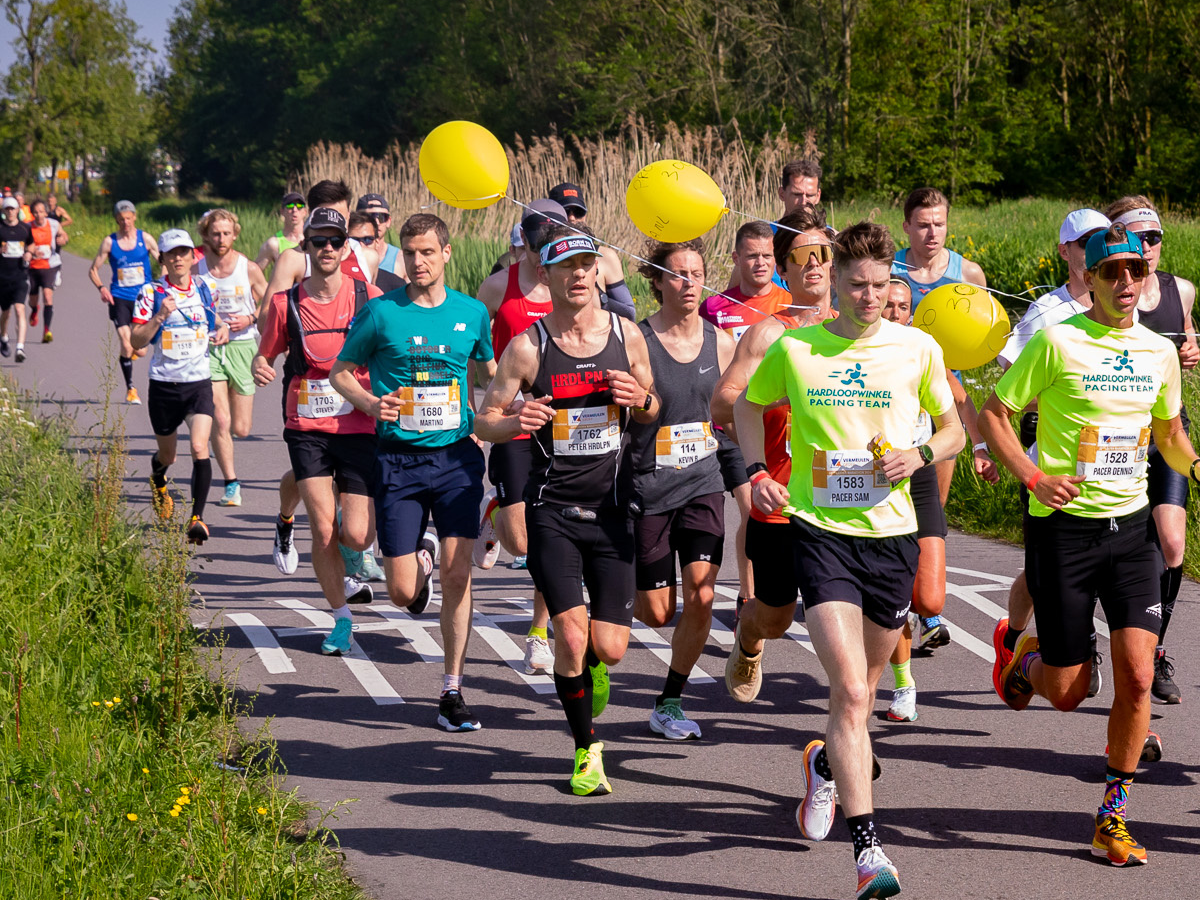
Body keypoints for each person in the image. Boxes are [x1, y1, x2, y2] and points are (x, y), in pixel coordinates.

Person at [733, 221, 963, 897]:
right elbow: (748, 406)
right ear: (833, 281)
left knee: (854, 701)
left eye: (879, 284)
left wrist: (918, 454)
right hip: (820, 531)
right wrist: (753, 471)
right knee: (857, 691)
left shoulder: (917, 347)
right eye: (855, 285)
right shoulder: (798, 348)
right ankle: (869, 855)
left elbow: (952, 429)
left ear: (893, 280)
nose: (868, 297)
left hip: (892, 535)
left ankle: (823, 765)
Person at [978, 222, 1198, 866]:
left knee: (1134, 676)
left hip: (1130, 533)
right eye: (1112, 274)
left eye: (1136, 271)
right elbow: (995, 413)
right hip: (1064, 532)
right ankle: (1025, 660)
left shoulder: (1158, 352)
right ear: (1092, 280)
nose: (1127, 284)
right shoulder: (1056, 342)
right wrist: (1034, 476)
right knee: (1072, 690)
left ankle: (1112, 814)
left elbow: (1168, 433)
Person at [475, 224, 659, 795]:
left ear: (598, 274)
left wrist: (642, 400)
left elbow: (653, 406)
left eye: (587, 266)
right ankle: (586, 748)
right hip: (552, 510)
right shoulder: (530, 346)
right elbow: (484, 419)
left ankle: (590, 668)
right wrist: (515, 423)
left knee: (610, 647)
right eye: (566, 268)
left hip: (612, 511)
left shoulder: (626, 335)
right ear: (547, 277)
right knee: (571, 639)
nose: (579, 276)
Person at [330, 213, 494, 733]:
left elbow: (489, 374)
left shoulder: (472, 313)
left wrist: (499, 412)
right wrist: (369, 402)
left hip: (457, 460)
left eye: (428, 252)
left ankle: (452, 688)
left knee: (459, 573)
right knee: (402, 593)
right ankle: (415, 559)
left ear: (447, 253)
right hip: (397, 461)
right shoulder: (381, 314)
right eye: (410, 253)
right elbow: (339, 372)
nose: (419, 262)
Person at [993, 209, 1112, 703]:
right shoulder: (1046, 311)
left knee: (1104, 567)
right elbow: (1008, 378)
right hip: (1053, 460)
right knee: (1041, 571)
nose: (1093, 252)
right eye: (1083, 244)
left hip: (1113, 465)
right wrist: (1073, 393)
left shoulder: (1121, 299)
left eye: (1101, 242)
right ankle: (1018, 637)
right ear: (1065, 252)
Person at [254, 208, 383, 654]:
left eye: (335, 241)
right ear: (304, 247)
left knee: (360, 535)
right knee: (325, 527)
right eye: (318, 241)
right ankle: (341, 617)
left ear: (347, 247)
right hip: (307, 423)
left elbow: (393, 349)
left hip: (360, 421)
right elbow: (266, 353)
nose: (326, 248)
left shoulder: (371, 298)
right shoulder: (284, 302)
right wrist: (259, 366)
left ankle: (286, 513)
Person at [878, 277, 998, 722]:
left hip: (919, 474)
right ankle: (904, 683)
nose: (893, 312)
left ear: (912, 312)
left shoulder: (923, 351)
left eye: (902, 306)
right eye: (887, 304)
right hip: (873, 478)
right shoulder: (855, 349)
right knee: (894, 590)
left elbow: (962, 402)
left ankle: (900, 622)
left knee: (928, 599)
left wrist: (981, 449)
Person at [711, 206, 836, 634]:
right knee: (775, 618)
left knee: (841, 609)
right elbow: (722, 405)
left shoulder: (855, 331)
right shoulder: (769, 333)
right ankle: (749, 637)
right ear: (784, 268)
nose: (814, 263)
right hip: (781, 499)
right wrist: (780, 397)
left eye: (822, 252)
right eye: (802, 256)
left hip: (842, 495)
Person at [630, 238, 735, 740]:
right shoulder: (638, 340)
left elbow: (731, 420)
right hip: (648, 487)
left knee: (702, 593)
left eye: (696, 272)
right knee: (655, 613)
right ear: (657, 281)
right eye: (677, 274)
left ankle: (670, 699)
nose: (689, 282)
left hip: (703, 482)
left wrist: (747, 477)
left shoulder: (723, 342)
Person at [1103, 196, 1196, 705]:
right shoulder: (1107, 288)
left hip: (1165, 435)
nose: (1148, 247)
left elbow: (1183, 350)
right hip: (1112, 440)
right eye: (1137, 238)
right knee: (1105, 550)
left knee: (1173, 544)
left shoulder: (1181, 290)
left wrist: (1191, 353)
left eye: (1155, 237)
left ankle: (1154, 653)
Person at [475, 200, 564, 676]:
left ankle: (537, 634)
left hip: (559, 422)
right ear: (522, 244)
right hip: (512, 418)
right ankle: (493, 511)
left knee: (549, 533)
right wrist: (497, 387)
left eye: (549, 246)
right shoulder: (498, 286)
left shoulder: (572, 286)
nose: (540, 256)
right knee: (520, 543)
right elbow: (474, 339)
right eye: (534, 247)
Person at [130, 229, 229, 544]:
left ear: (192, 256)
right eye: (171, 253)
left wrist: (224, 328)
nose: (178, 258)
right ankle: (158, 479)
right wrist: (160, 316)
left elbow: (216, 321)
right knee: (168, 456)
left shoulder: (205, 287)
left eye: (183, 252)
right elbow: (135, 340)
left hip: (199, 383)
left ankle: (197, 518)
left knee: (200, 447)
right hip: (164, 386)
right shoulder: (151, 292)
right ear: (162, 259)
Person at [195, 209, 268, 508]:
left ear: (235, 234)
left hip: (243, 348)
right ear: (206, 235)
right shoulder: (197, 269)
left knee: (241, 428)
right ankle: (231, 483)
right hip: (209, 350)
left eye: (226, 233)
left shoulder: (248, 269)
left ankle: (221, 440)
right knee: (221, 420)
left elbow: (271, 306)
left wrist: (249, 318)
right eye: (215, 233)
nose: (221, 239)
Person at [89, 200, 159, 405]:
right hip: (119, 298)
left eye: (128, 218)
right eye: (121, 219)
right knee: (127, 344)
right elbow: (93, 270)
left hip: (143, 298)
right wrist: (102, 288)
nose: (125, 222)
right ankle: (131, 389)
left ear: (134, 217)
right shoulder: (109, 243)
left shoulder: (145, 239)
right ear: (116, 220)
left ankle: (133, 351)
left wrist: (163, 282)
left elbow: (163, 261)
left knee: (141, 349)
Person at [548, 183, 636, 319]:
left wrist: (598, 295)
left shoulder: (606, 257)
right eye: (565, 211)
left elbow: (629, 313)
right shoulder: (538, 257)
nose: (572, 218)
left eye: (578, 212)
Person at [701, 220, 793, 341]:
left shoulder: (792, 304)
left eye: (767, 256)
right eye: (752, 256)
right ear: (736, 258)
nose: (760, 263)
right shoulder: (712, 308)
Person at [26, 198, 66, 342]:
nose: (39, 215)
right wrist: (30, 250)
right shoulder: (27, 227)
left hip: (50, 265)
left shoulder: (54, 224)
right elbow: (21, 245)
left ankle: (47, 331)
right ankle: (34, 309)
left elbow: (64, 235)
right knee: (33, 299)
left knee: (48, 297)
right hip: (32, 267)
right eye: (36, 212)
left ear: (45, 212)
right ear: (32, 214)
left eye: (41, 212)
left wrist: (62, 239)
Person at [0, 197, 34, 361]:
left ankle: (20, 348)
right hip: (3, 277)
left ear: (18, 210)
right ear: (4, 211)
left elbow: (31, 244)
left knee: (20, 309)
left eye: (13, 209)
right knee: (5, 313)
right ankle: (4, 337)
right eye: (7, 209)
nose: (10, 212)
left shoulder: (25, 228)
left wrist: (29, 252)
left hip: (20, 276)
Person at [347, 211, 405, 293]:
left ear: (377, 243)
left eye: (367, 240)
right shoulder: (338, 282)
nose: (361, 246)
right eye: (354, 241)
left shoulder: (396, 286)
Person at [255, 192, 306, 278]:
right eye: (290, 205)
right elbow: (253, 274)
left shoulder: (313, 239)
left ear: (305, 212)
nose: (294, 209)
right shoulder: (273, 244)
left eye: (299, 206)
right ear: (282, 211)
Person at [356, 194, 406, 281]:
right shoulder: (346, 254)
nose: (377, 222)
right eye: (371, 217)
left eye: (382, 217)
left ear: (388, 221)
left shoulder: (401, 259)